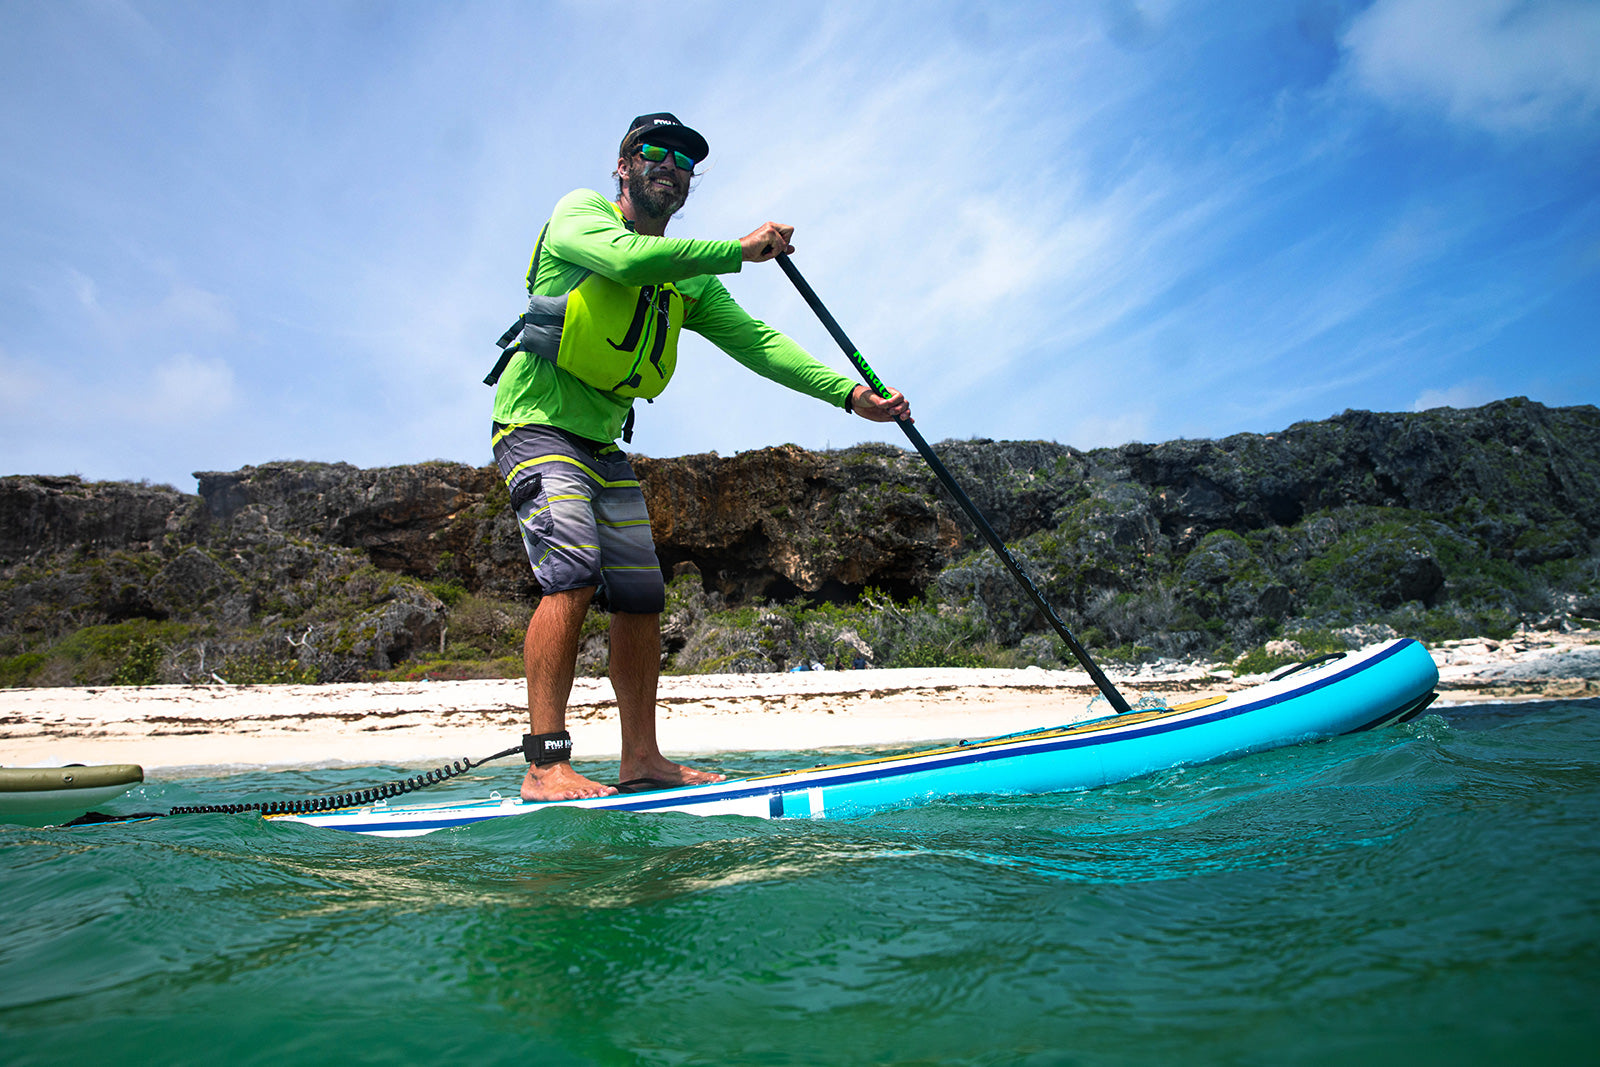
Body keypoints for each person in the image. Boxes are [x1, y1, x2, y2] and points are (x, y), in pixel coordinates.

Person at [489, 113, 911, 801]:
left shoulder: (690, 280)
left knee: (641, 596)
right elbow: (626, 262)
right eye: (652, 151)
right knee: (571, 569)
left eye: (685, 160)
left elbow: (761, 344)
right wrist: (739, 250)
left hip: (602, 444)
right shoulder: (581, 215)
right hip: (535, 425)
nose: (670, 164)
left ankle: (641, 757)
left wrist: (849, 395)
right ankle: (544, 762)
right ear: (622, 166)